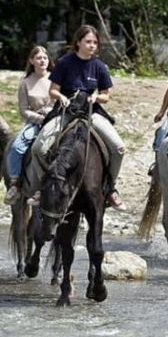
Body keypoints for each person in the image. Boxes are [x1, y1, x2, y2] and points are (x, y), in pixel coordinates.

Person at [26, 25, 126, 210]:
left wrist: (96, 97)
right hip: (66, 111)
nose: (92, 46)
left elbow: (106, 95)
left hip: (91, 112)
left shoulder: (99, 66)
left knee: (119, 148)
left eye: (95, 42)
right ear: (78, 42)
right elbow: (53, 90)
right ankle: (43, 188)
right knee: (38, 148)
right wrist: (61, 96)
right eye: (88, 42)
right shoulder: (64, 62)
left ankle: (110, 189)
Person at [4, 46, 54, 205]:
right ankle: (15, 184)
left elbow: (59, 100)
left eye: (45, 58)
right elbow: (24, 110)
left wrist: (50, 111)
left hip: (55, 120)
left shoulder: (55, 79)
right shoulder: (25, 83)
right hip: (35, 122)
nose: (42, 61)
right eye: (38, 58)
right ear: (32, 61)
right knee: (17, 147)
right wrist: (39, 118)